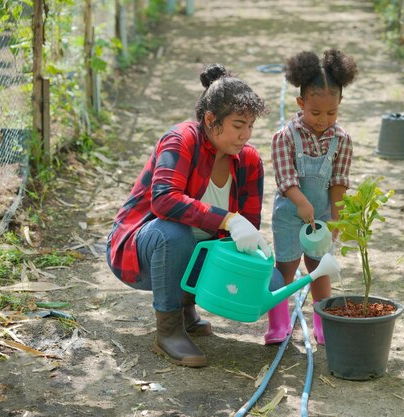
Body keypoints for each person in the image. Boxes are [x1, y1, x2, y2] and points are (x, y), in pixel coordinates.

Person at [106, 64, 271, 368]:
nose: (245, 135)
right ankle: (167, 331)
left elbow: (247, 225)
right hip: (140, 250)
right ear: (211, 120)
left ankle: (186, 308)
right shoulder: (182, 139)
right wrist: (228, 219)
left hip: (184, 256)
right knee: (174, 231)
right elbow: (164, 201)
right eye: (238, 125)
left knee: (246, 254)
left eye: (250, 126)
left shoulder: (249, 161)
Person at [267, 49, 358, 345]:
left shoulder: (341, 140)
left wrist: (336, 217)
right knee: (286, 268)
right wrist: (301, 202)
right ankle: (279, 324)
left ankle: (322, 323)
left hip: (320, 216)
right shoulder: (285, 137)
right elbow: (285, 177)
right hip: (290, 216)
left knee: (320, 269)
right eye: (315, 112)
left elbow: (339, 181)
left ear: (340, 105)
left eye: (331, 113)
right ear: (301, 103)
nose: (323, 120)